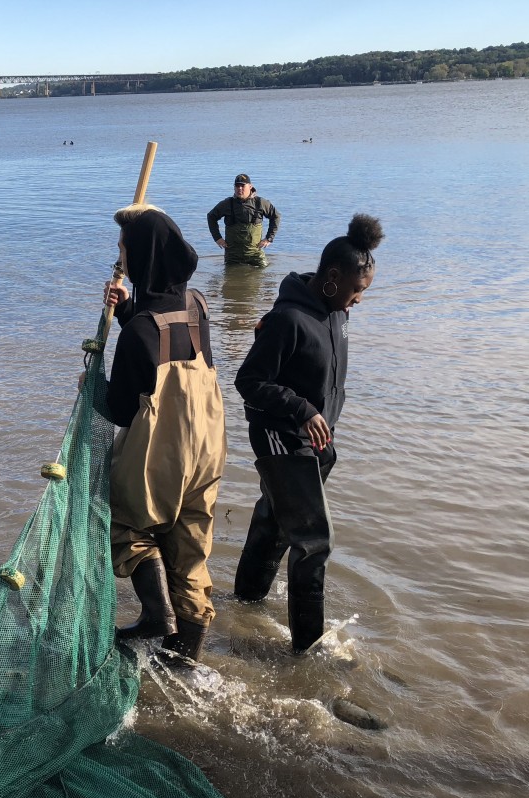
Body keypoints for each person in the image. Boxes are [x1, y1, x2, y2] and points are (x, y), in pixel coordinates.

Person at [232, 214, 384, 655]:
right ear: (332, 279)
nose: (358, 302)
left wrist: (323, 422)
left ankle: (244, 603)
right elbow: (250, 381)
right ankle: (309, 651)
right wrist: (301, 411)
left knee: (274, 523)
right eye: (357, 292)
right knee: (314, 541)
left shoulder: (336, 314)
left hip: (317, 441)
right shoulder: (288, 319)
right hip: (283, 438)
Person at [102, 204, 227, 664]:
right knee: (191, 546)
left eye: (124, 248)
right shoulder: (198, 306)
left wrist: (92, 386)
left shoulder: (137, 333)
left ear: (143, 256)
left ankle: (157, 617)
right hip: (209, 445)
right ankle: (186, 659)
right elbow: (168, 335)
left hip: (163, 449)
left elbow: (119, 411)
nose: (120, 257)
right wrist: (126, 309)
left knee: (128, 525)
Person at [206, 173, 280, 268]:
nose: (239, 188)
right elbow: (211, 217)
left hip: (255, 254)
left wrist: (269, 238)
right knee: (229, 279)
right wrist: (217, 238)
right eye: (237, 186)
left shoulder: (260, 203)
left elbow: (276, 216)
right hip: (232, 255)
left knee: (265, 276)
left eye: (242, 185)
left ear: (250, 187)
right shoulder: (227, 204)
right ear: (234, 188)